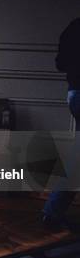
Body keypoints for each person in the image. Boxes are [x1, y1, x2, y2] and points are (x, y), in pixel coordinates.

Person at [42, 17, 80, 232]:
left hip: (75, 94)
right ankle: (52, 212)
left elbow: (60, 64)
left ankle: (52, 212)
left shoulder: (73, 27)